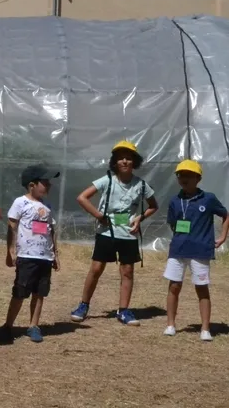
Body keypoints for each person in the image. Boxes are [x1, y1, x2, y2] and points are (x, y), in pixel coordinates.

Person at [71, 141, 158, 326]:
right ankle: (83, 305)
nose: (125, 161)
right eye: (120, 158)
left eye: (128, 158)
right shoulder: (107, 180)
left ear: (134, 161)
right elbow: (82, 197)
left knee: (127, 271)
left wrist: (140, 218)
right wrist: (98, 215)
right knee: (96, 269)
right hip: (106, 233)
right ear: (115, 162)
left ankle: (124, 310)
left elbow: (153, 206)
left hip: (128, 234)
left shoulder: (141, 185)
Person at [162, 160, 228, 341]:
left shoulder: (208, 198)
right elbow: (173, 223)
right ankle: (170, 325)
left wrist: (222, 236)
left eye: (189, 175)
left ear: (198, 178)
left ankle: (205, 329)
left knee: (201, 288)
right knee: (174, 286)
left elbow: (225, 214)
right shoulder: (175, 200)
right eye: (181, 175)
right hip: (178, 250)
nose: (184, 178)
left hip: (200, 251)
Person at [2, 166, 61, 344]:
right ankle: (7, 326)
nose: (49, 185)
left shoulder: (48, 206)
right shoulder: (20, 203)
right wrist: (10, 251)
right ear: (32, 185)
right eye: (45, 182)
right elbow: (11, 226)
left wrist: (55, 254)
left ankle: (34, 325)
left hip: (44, 257)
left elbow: (51, 231)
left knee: (40, 293)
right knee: (20, 292)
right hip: (27, 256)